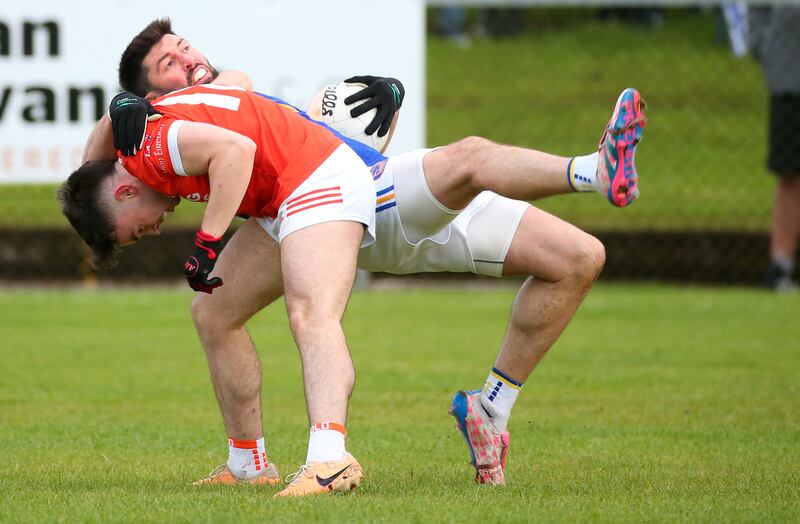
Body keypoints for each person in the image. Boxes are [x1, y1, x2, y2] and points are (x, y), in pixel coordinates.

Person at [68, 19, 647, 495]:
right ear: (154, 97)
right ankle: (249, 463)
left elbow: (283, 135)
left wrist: (383, 99)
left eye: (185, 45)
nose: (189, 56)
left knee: (579, 255)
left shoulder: (217, 98)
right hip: (329, 211)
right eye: (170, 62)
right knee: (216, 313)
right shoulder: (168, 130)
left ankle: (488, 410)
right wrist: (115, 123)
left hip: (366, 202)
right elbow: (102, 176)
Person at [750, 6, 800, 291]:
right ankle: (781, 266)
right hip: (789, 83)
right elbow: (756, 14)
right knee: (789, 174)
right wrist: (771, 54)